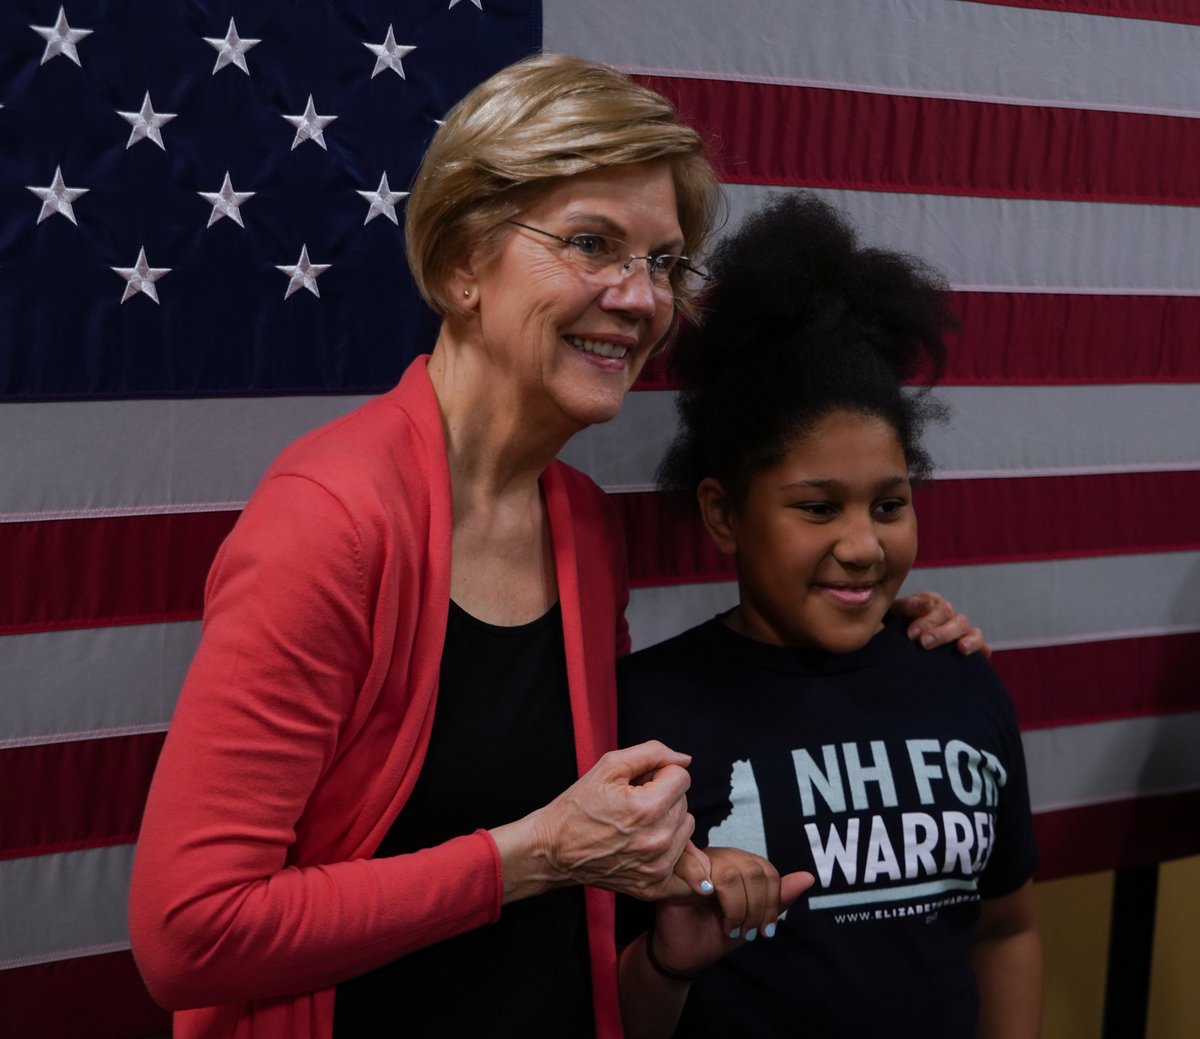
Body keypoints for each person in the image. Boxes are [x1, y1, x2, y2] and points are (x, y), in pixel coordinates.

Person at [128, 56, 984, 1039]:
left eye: (663, 263)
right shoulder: (328, 518)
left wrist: (893, 634)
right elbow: (187, 932)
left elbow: (590, 853)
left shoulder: (577, 519)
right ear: (461, 263)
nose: (638, 298)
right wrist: (529, 855)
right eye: (592, 244)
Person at [617, 193, 1041, 1038]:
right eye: (817, 508)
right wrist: (667, 960)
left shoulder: (958, 675)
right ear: (724, 513)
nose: (862, 545)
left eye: (889, 505)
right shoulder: (646, 716)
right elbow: (606, 1008)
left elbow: (1008, 926)